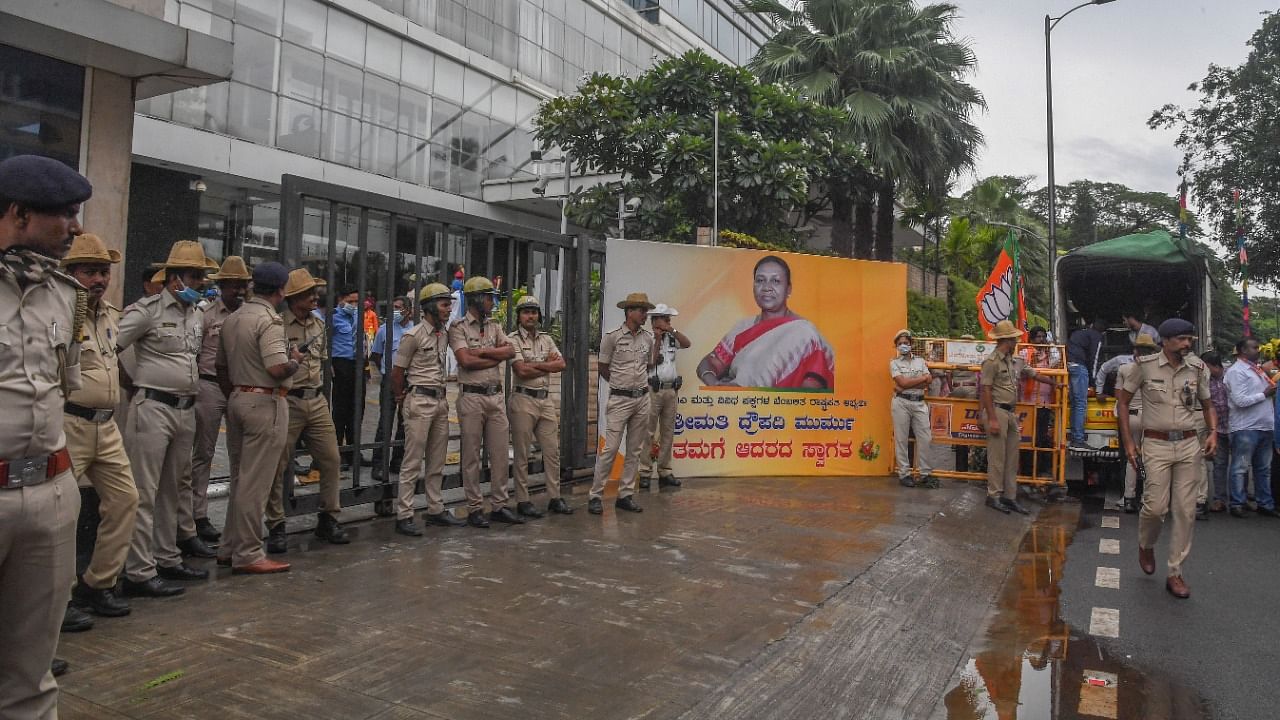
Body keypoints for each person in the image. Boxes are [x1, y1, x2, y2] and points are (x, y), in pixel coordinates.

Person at [0, 154, 91, 710]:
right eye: (65, 214)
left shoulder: (65, 294)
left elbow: (66, 383)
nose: (76, 228)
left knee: (32, 673)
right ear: (18, 213)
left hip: (51, 493)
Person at [116, 241, 217, 600]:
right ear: (174, 278)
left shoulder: (196, 313)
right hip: (153, 408)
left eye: (202, 277)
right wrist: (127, 382)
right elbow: (106, 346)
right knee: (143, 491)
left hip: (184, 409)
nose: (200, 282)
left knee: (172, 490)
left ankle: (166, 557)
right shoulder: (148, 311)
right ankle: (139, 571)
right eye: (193, 276)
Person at [60, 234, 137, 620]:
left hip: (106, 429)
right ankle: (61, 598)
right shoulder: (59, 312)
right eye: (91, 271)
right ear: (71, 273)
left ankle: (97, 584)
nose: (100, 279)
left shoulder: (110, 315)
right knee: (59, 514)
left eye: (104, 272)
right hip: (69, 423)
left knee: (125, 501)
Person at [1117, 318, 1215, 599]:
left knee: (1185, 511)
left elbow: (1208, 405)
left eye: (1190, 340)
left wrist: (1213, 433)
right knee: (1155, 509)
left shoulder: (1197, 368)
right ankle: (1146, 545)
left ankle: (1175, 572)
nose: (1187, 344)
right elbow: (1123, 402)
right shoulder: (1144, 366)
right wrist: (1129, 444)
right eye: (1182, 339)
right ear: (1166, 341)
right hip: (1156, 445)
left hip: (1188, 445)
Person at [215, 261, 303, 574]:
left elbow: (221, 367)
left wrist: (237, 395)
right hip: (265, 401)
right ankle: (249, 553)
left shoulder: (234, 317)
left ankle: (230, 546)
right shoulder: (270, 321)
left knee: (240, 478)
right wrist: (295, 361)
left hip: (238, 396)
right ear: (282, 290)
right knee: (256, 484)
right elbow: (277, 368)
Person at [264, 269, 350, 554]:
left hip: (316, 399)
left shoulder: (318, 324)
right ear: (294, 297)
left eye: (316, 292)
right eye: (310, 293)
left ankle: (328, 517)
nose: (315, 297)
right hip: (288, 399)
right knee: (277, 466)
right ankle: (276, 524)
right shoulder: (278, 325)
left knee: (331, 458)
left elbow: (322, 361)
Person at [390, 284, 464, 536]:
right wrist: (402, 399)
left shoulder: (443, 334)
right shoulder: (413, 336)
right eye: (444, 304)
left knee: (436, 460)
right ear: (430, 306)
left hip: (440, 400)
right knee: (412, 461)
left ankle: (435, 509)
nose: (448, 309)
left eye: (449, 304)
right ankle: (404, 514)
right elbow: (397, 372)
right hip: (419, 399)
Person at [697, 255, 834, 390]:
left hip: (780, 410)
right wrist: (715, 384)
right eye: (760, 280)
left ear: (788, 289)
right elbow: (709, 363)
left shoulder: (805, 333)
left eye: (776, 281)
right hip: (734, 407)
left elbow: (812, 390)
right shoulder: (743, 327)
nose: (766, 287)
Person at [449, 276, 519, 527]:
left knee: (500, 454)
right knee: (471, 456)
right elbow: (465, 361)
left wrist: (483, 352)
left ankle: (499, 505)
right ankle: (475, 508)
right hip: (471, 396)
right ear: (477, 299)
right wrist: (495, 356)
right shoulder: (458, 327)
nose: (492, 302)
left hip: (495, 396)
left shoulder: (495, 326)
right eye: (489, 297)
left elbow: (510, 351)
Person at [190, 256, 250, 543]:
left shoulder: (250, 316)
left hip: (240, 389)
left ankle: (236, 518)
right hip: (210, 386)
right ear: (222, 286)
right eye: (233, 286)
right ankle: (198, 515)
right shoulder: (206, 315)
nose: (238, 291)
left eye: (243, 286)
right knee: (203, 453)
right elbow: (195, 352)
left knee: (240, 455)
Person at [981, 320, 1058, 515]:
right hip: (997, 410)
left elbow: (1033, 374)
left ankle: (1009, 496)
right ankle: (994, 496)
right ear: (1006, 340)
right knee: (997, 457)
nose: (1017, 340)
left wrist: (1056, 383)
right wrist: (991, 418)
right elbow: (986, 390)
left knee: (1012, 456)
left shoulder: (1012, 360)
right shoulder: (991, 362)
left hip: (1010, 412)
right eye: (1014, 338)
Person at [589, 292, 656, 515]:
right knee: (610, 449)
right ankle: (596, 495)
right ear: (629, 312)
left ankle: (625, 494)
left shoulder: (648, 338)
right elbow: (603, 367)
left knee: (635, 450)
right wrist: (620, 385)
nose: (645, 314)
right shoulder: (612, 337)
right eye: (641, 310)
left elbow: (648, 365)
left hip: (642, 398)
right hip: (620, 399)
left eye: (645, 310)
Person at [508, 295, 572, 516]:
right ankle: (523, 500)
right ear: (519, 316)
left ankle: (555, 497)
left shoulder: (547, 339)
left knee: (552, 452)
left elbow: (561, 364)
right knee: (522, 453)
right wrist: (547, 365)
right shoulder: (512, 339)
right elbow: (521, 371)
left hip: (545, 400)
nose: (531, 316)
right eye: (526, 312)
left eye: (534, 312)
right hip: (523, 399)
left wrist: (538, 365)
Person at [1223, 336, 1277, 518]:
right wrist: (1264, 394)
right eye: (1254, 347)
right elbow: (1239, 400)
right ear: (1243, 350)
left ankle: (1265, 503)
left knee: (1263, 468)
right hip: (1246, 427)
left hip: (1264, 426)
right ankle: (1237, 503)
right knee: (1241, 467)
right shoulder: (1236, 371)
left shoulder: (1258, 369)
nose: (1259, 350)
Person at [638, 303, 690, 490]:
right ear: (654, 321)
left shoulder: (672, 337)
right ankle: (644, 472)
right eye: (664, 319)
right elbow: (649, 365)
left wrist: (671, 330)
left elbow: (687, 343)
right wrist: (658, 339)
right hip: (653, 390)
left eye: (668, 319)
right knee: (648, 432)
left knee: (668, 432)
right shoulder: (646, 338)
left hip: (671, 390)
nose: (667, 322)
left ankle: (665, 471)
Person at [1112, 334, 1160, 513]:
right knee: (1150, 459)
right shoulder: (1158, 371)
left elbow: (1119, 397)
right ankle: (1146, 498)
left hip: (1130, 418)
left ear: (1135, 351)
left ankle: (1129, 498)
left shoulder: (1125, 369)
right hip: (1151, 418)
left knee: (1131, 458)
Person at [371, 296, 414, 479]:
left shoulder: (415, 329)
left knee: (405, 424)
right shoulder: (384, 329)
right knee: (385, 423)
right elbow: (376, 354)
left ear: (409, 310)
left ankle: (397, 461)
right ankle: (379, 464)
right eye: (393, 307)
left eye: (399, 307)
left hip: (409, 380)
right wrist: (387, 370)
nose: (395, 311)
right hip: (390, 379)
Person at [890, 329, 938, 489]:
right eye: (900, 344)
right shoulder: (894, 363)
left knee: (925, 438)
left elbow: (928, 381)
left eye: (906, 343)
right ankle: (904, 473)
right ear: (896, 346)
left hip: (919, 402)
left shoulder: (920, 361)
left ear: (911, 344)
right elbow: (902, 382)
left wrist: (905, 385)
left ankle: (925, 474)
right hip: (901, 403)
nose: (903, 346)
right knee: (901, 439)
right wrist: (921, 379)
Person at [1019, 326, 1057, 479]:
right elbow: (1023, 372)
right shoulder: (1024, 352)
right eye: (1038, 337)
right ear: (1031, 339)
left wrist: (1051, 346)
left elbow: (1057, 360)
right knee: (1027, 438)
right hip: (1027, 403)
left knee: (1040, 438)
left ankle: (1039, 470)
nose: (1041, 340)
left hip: (1045, 403)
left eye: (1043, 337)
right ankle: (1027, 473)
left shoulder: (1049, 355)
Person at [330, 287, 360, 469]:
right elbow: (326, 341)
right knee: (340, 410)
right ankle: (337, 451)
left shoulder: (357, 316)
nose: (354, 305)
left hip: (356, 363)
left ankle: (353, 451)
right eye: (351, 302)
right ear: (341, 299)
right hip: (340, 363)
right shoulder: (334, 317)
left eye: (357, 302)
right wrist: (330, 365)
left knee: (355, 410)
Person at [1066, 317, 1107, 453]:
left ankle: (1074, 438)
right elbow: (1094, 359)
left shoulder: (1080, 333)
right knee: (1080, 403)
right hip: (1079, 367)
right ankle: (1078, 440)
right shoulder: (1097, 336)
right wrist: (1094, 383)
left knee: (1074, 403)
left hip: (1069, 366)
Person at [1202, 351, 1230, 514]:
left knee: (1240, 463)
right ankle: (1219, 499)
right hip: (1217, 429)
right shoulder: (1204, 381)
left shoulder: (1231, 375)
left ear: (1213, 366)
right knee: (1219, 464)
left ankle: (1240, 497)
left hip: (1237, 426)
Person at [949, 334, 980, 473]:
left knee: (958, 422)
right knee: (968, 421)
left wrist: (952, 389)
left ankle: (961, 452)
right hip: (970, 388)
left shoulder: (955, 354)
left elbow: (948, 373)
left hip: (957, 387)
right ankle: (967, 455)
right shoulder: (975, 355)